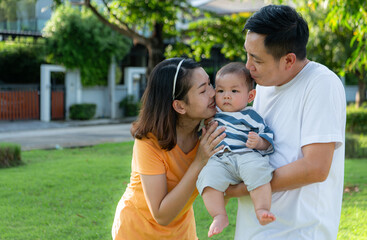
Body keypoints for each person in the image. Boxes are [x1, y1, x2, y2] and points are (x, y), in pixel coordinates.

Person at [225, 5, 346, 240]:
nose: (247, 66)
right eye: (247, 54)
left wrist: (240, 189)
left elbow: (315, 167)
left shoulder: (321, 83)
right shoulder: (264, 84)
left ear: (289, 60)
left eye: (256, 59)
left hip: (297, 232)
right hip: (254, 230)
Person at [111, 58, 226, 240]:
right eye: (203, 90)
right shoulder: (148, 142)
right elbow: (161, 215)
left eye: (210, 84)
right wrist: (199, 162)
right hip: (136, 231)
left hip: (182, 232)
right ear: (180, 106)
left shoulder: (209, 134)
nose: (213, 93)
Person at [196, 62, 276, 238]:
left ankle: (261, 208)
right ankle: (219, 215)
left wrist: (259, 142)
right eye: (221, 91)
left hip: (246, 155)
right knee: (207, 177)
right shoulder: (212, 114)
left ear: (250, 95)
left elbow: (268, 138)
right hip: (220, 159)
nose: (226, 96)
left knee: (258, 171)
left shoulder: (251, 115)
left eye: (234, 91)